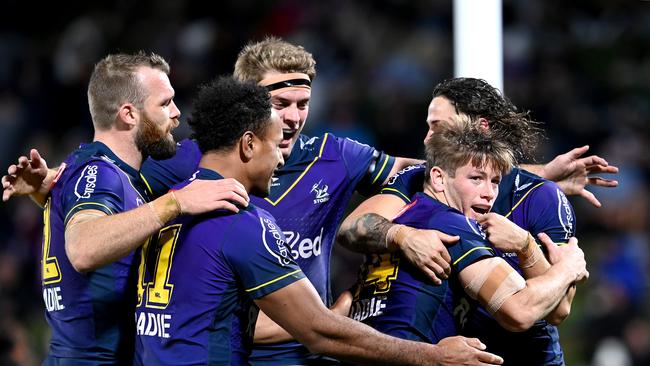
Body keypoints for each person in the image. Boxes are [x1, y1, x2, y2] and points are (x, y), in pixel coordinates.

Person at [134, 76, 505, 366]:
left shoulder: (169, 203)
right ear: (248, 145)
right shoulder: (243, 222)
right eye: (275, 145)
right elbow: (319, 333)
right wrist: (432, 356)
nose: (281, 161)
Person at [337, 77, 616, 364]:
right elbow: (350, 228)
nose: (427, 137)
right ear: (439, 177)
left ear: (479, 128)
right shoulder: (426, 192)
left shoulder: (542, 198)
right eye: (476, 179)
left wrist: (526, 245)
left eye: (438, 126)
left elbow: (557, 311)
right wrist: (403, 237)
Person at [32, 52, 249, 365]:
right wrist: (176, 202)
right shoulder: (102, 174)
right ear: (128, 114)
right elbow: (82, 248)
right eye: (164, 103)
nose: (176, 114)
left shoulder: (83, 166)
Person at [348, 118, 588, 350]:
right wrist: (568, 268)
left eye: (494, 182)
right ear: (439, 178)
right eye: (476, 179)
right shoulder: (453, 225)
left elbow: (345, 306)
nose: (489, 194)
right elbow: (520, 311)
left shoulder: (404, 215)